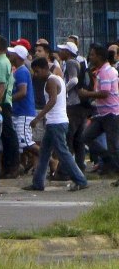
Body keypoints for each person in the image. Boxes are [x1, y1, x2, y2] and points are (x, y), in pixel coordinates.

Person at [24, 57, 88, 192]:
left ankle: (80, 180)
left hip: (56, 123)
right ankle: (38, 183)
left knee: (63, 153)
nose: (35, 75)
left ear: (45, 68)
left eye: (37, 71)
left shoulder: (51, 81)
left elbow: (52, 101)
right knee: (44, 153)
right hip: (56, 122)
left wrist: (38, 118)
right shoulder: (57, 78)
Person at [78, 44, 119, 177]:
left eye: (92, 54)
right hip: (102, 114)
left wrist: (86, 94)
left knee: (113, 145)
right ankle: (109, 161)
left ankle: (114, 168)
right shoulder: (102, 70)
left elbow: (105, 93)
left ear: (100, 57)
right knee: (86, 136)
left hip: (110, 114)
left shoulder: (106, 71)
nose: (90, 57)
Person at [0, 35, 19, 177]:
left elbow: (1, 85)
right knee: (6, 135)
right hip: (2, 102)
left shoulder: (1, 62)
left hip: (2, 103)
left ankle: (11, 166)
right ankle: (8, 166)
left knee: (7, 134)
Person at [57, 41, 88, 176]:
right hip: (79, 106)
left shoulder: (70, 63)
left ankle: (66, 171)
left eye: (63, 50)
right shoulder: (76, 62)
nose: (60, 52)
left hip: (73, 105)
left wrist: (63, 90)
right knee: (78, 139)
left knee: (69, 138)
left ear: (68, 52)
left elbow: (74, 80)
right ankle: (79, 167)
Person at [7, 44, 39, 172]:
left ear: (18, 57)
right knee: (21, 141)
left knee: (25, 141)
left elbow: (22, 92)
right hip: (19, 112)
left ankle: (50, 160)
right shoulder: (19, 70)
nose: (10, 55)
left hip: (24, 112)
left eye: (13, 54)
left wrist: (8, 100)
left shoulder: (21, 71)